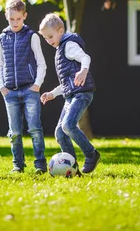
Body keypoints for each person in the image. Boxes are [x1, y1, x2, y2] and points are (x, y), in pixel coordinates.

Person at [38, 13, 100, 174]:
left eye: (50, 36)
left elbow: (85, 58)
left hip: (82, 94)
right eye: (45, 38)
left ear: (60, 30)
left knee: (68, 125)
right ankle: (72, 167)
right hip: (71, 95)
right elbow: (67, 82)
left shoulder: (69, 45)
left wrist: (83, 71)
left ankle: (91, 154)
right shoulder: (60, 49)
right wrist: (52, 93)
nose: (48, 41)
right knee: (60, 133)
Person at [0, 0, 47, 174]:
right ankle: (18, 164)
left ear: (24, 16)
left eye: (18, 18)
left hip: (30, 90)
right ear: (6, 17)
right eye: (11, 19)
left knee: (34, 129)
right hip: (10, 92)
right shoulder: (2, 38)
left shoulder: (31, 36)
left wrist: (37, 85)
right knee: (15, 132)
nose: (15, 22)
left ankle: (40, 164)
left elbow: (41, 63)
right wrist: (1, 86)